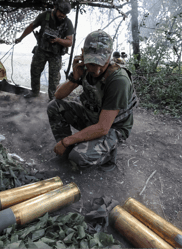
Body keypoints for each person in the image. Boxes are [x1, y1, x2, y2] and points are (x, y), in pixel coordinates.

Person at [47, 30, 138, 172]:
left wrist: (67, 140)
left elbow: (103, 127)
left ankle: (108, 155)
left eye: (102, 63)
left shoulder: (118, 80)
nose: (96, 70)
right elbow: (57, 96)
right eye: (92, 63)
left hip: (113, 127)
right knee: (54, 107)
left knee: (78, 158)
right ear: (83, 54)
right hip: (92, 116)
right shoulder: (82, 67)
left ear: (109, 56)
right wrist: (74, 79)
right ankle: (69, 149)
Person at [15, 0, 74, 101]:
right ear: (55, 8)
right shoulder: (44, 16)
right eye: (61, 12)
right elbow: (31, 27)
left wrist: (58, 40)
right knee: (35, 71)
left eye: (65, 14)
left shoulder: (67, 23)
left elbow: (69, 42)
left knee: (54, 79)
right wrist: (20, 38)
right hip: (41, 50)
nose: (62, 15)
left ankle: (53, 100)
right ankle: (34, 93)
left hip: (55, 54)